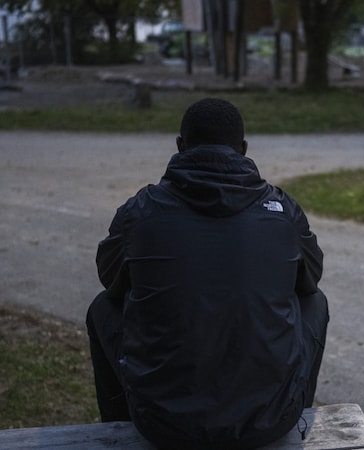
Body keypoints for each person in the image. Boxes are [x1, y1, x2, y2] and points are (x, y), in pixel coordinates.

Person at [85, 98, 328, 449]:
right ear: (243, 150)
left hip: (163, 426)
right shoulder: (282, 210)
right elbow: (310, 281)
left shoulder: (140, 211)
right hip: (269, 423)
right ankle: (292, 410)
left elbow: (110, 282)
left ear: (181, 146)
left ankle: (120, 429)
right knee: (314, 303)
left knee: (102, 309)